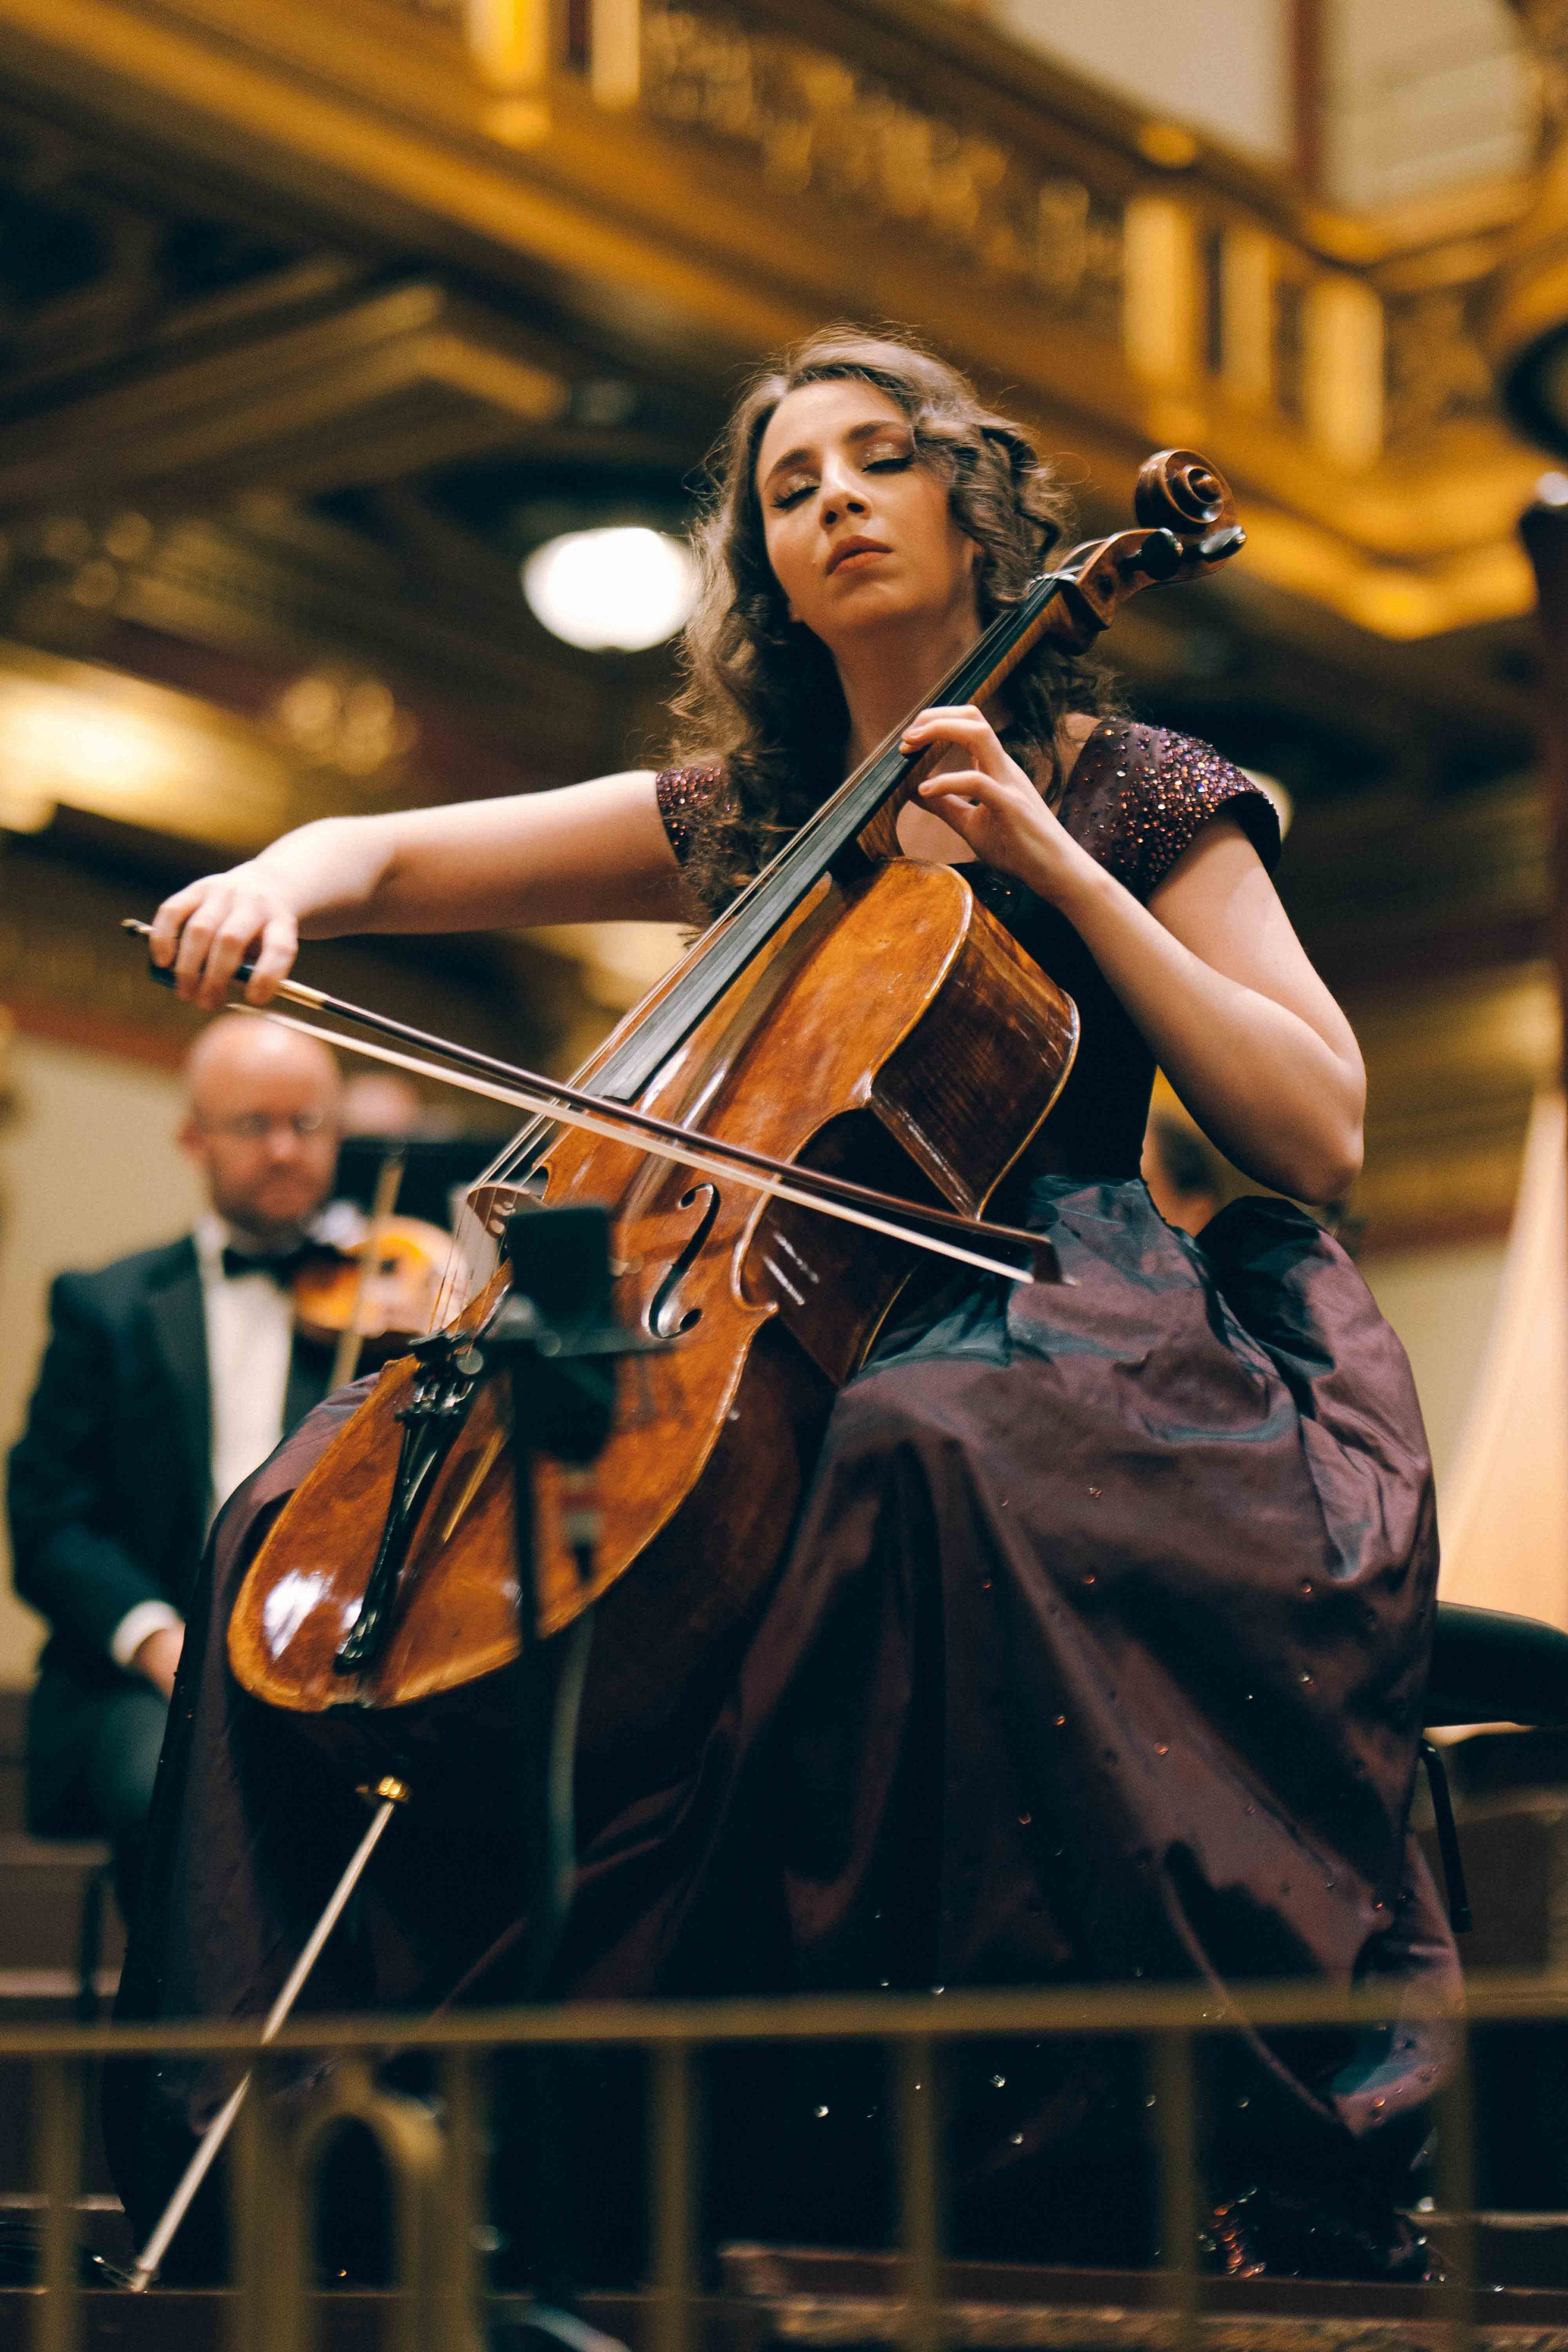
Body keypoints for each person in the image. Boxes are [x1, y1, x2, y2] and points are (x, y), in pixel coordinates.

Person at [116, 329, 1452, 2283]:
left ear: (974, 509)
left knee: (922, 1458)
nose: (832, 497)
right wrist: (276, 877)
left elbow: (1313, 1123)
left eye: (878, 458)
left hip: (1040, 1301)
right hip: (735, 1310)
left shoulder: (1137, 783)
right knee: (306, 1518)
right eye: (787, 482)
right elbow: (390, 850)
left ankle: (971, 2186)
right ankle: (291, 2168)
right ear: (760, 558)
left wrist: (1057, 864)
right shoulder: (752, 807)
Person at [8, 1015, 344, 1915]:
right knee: (172, 1791)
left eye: (308, 1125)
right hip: (138, 1684)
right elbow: (49, 1521)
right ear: (192, 1137)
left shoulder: (386, 1307)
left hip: (329, 1672)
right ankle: (194, 2050)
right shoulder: (104, 1306)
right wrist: (160, 1640)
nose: (284, 1151)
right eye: (253, 1125)